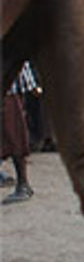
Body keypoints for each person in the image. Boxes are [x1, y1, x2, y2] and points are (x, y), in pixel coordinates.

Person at [1, 63, 37, 204]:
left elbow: (17, 54)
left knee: (14, 135)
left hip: (8, 89)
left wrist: (31, 84)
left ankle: (23, 184)